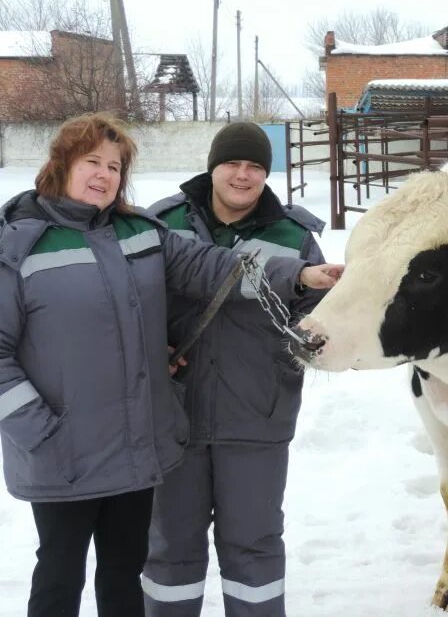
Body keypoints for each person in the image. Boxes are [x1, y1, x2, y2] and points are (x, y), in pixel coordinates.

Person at [0, 113, 338, 617]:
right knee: (60, 572)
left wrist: (302, 275)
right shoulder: (18, 246)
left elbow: (214, 269)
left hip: (138, 446)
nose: (104, 174)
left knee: (124, 569)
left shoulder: (138, 232)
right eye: (92, 162)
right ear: (60, 165)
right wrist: (39, 430)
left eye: (114, 166)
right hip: (67, 449)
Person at [142, 122, 336, 617]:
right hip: (173, 415)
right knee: (169, 550)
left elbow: (313, 322)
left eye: (255, 166)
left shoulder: (294, 235)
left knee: (254, 547)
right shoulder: (162, 224)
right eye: (233, 163)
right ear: (213, 166)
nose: (243, 175)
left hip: (257, 414)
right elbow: (132, 304)